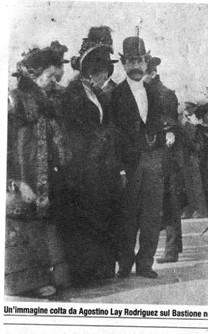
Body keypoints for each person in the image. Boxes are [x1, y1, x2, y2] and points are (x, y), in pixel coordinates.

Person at [60, 29, 122, 286]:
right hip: (82, 166)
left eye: (107, 73)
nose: (105, 78)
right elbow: (72, 132)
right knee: (85, 219)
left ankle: (100, 269)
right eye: (102, 73)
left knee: (103, 214)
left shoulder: (97, 94)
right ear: (89, 71)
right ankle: (84, 272)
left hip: (102, 166)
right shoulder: (73, 94)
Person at [8, 46, 69, 296]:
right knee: (23, 229)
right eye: (50, 77)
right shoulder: (15, 100)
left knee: (43, 228)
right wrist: (15, 181)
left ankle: (48, 277)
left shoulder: (47, 101)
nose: (54, 83)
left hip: (44, 176)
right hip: (23, 176)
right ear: (34, 75)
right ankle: (24, 284)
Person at [112, 36, 175, 279]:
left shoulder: (154, 91)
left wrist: (162, 143)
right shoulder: (115, 95)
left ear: (146, 62)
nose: (136, 65)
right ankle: (125, 264)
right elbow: (113, 134)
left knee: (151, 215)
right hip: (129, 164)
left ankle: (145, 263)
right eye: (131, 61)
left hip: (153, 161)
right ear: (123, 64)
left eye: (140, 60)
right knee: (127, 216)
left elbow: (162, 123)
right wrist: (119, 167)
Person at [144, 53, 183, 264]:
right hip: (158, 155)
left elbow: (170, 127)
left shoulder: (163, 94)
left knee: (169, 202)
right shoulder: (151, 92)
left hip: (165, 156)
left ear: (151, 73)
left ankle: (171, 250)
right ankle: (174, 247)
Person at [179, 94, 208, 218]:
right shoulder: (182, 121)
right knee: (186, 184)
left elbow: (197, 142)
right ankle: (189, 210)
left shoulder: (190, 122)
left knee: (193, 184)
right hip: (184, 156)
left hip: (190, 156)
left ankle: (197, 210)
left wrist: (196, 146)